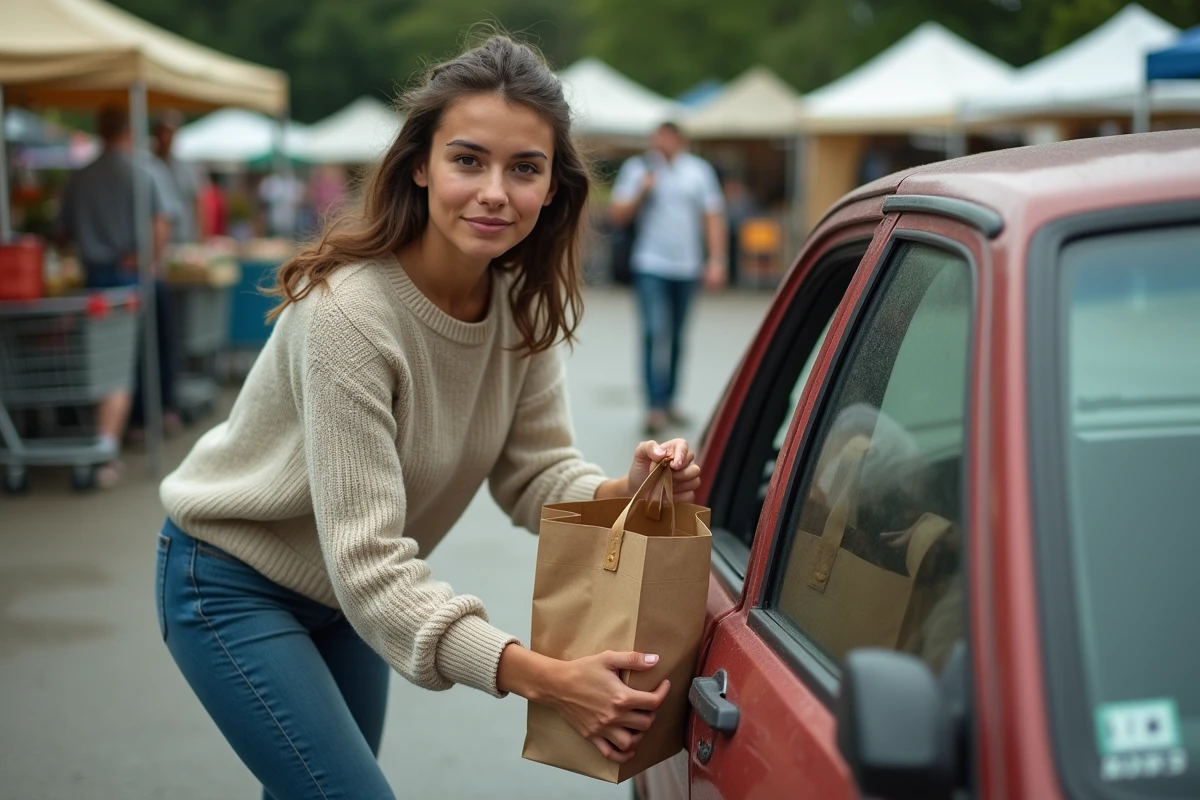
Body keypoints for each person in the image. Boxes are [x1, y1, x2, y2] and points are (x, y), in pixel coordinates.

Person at [155, 35, 703, 799]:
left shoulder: (519, 304)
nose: (494, 192)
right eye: (468, 159)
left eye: (524, 168)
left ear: (552, 188)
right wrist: (544, 678)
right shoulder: (350, 312)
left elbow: (533, 474)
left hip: (341, 603)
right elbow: (373, 565)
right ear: (421, 164)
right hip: (230, 579)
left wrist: (624, 490)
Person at [58, 105, 171, 488]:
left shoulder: (81, 176)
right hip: (128, 274)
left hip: (94, 274)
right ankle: (120, 437)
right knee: (126, 362)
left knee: (100, 361)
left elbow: (65, 229)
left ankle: (107, 438)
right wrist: (147, 260)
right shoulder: (142, 173)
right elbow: (160, 223)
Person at [610, 122, 727, 435]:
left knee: (677, 335)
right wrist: (642, 190)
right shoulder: (639, 169)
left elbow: (712, 217)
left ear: (680, 139)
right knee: (652, 331)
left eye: (668, 136)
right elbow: (617, 215)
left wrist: (716, 259)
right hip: (650, 264)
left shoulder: (698, 171)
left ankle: (670, 399)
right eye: (657, 137)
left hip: (686, 267)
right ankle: (653, 407)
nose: (662, 142)